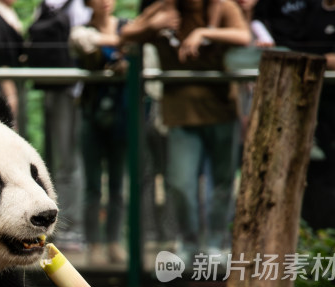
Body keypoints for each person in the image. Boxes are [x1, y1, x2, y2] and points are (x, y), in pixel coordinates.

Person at [122, 0, 250, 258]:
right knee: (181, 183)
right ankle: (188, 242)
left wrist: (204, 32)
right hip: (180, 113)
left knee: (223, 181)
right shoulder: (163, 8)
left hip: (222, 109)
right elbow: (125, 35)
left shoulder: (223, 6)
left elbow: (243, 36)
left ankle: (216, 243)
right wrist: (153, 24)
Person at [254, 0, 335, 231]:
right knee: (304, 177)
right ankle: (304, 238)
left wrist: (296, 58)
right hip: (302, 106)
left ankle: (333, 240)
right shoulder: (312, 9)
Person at [69, 0, 129, 265]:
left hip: (123, 117)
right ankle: (94, 244)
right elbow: (83, 43)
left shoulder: (128, 26)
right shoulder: (82, 30)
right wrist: (124, 44)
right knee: (93, 185)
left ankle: (114, 242)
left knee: (118, 185)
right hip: (92, 116)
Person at [37, 0, 92, 253]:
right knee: (56, 162)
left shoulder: (77, 7)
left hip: (70, 92)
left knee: (68, 163)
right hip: (54, 89)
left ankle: (73, 229)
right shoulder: (49, 5)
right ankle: (60, 227)